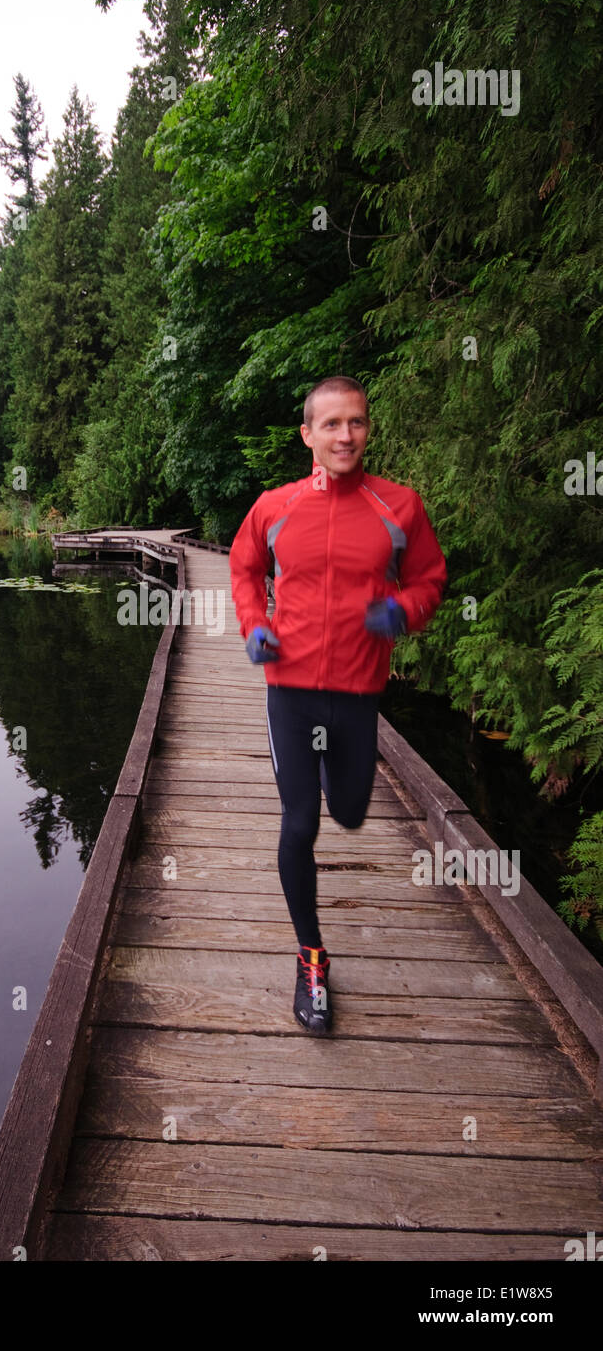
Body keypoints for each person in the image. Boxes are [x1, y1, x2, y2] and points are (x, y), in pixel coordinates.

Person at [228, 376, 447, 1035]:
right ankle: (311, 958)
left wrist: (401, 611)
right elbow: (243, 569)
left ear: (366, 430)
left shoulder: (398, 507)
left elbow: (430, 579)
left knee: (348, 813)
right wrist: (252, 626)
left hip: (358, 691)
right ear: (308, 435)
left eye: (354, 423)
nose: (344, 435)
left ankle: (334, 782)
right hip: (289, 689)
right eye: (330, 424)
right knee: (300, 823)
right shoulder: (275, 506)